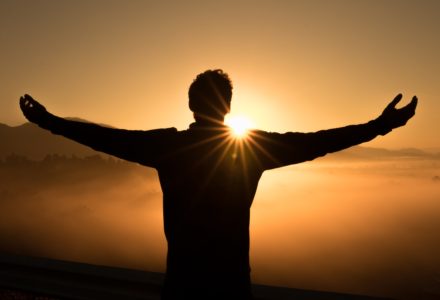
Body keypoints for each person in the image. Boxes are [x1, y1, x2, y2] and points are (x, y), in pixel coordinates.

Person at [19, 69, 417, 299]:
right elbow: (318, 142)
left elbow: (108, 137)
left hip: (182, 287)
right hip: (231, 289)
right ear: (228, 107)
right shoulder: (252, 150)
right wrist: (378, 127)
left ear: (191, 105)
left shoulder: (169, 147)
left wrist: (48, 122)